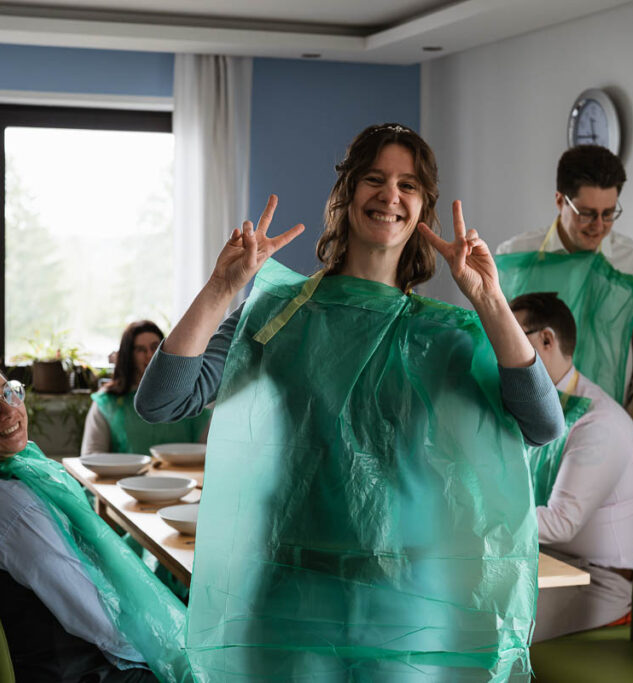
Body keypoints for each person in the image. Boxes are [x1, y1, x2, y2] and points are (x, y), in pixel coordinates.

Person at [136, 123, 564, 680]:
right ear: (345, 195)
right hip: (293, 593)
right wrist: (223, 289)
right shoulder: (278, 313)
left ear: (422, 209)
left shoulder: (442, 334)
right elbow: (163, 402)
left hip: (407, 600)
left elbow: (542, 424)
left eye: (408, 185)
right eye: (375, 179)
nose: (390, 195)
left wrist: (489, 300)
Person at [0, 348, 187, 683]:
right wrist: (163, 656)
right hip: (71, 671)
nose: (9, 411)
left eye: (8, 392)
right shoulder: (11, 505)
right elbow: (96, 620)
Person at [509, 292, 633, 641]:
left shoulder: (597, 422)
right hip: (550, 564)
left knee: (490, 625)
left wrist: (482, 515)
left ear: (546, 340)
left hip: (598, 582)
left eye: (509, 337)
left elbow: (561, 524)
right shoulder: (539, 406)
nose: (500, 352)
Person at [495, 145, 633, 435]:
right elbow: (497, 339)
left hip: (602, 423)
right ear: (560, 201)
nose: (599, 226)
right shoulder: (515, 258)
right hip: (526, 420)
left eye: (609, 213)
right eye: (587, 214)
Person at [82, 321, 209, 455]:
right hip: (126, 476)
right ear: (129, 356)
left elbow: (209, 449)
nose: (149, 355)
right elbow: (92, 455)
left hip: (183, 475)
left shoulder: (188, 396)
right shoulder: (107, 403)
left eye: (155, 347)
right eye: (141, 350)